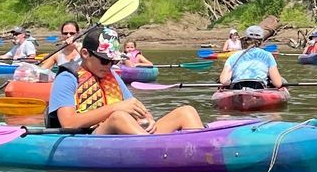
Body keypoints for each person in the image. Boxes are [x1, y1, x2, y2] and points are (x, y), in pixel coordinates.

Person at [48, 25, 205, 134]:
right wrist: (116, 108)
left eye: (113, 61)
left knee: (186, 112)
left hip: (124, 135)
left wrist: (148, 118)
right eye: (104, 60)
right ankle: (154, 149)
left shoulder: (112, 76)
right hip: (87, 138)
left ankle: (200, 153)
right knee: (119, 117)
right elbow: (69, 123)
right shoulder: (67, 77)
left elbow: (135, 107)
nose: (108, 65)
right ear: (84, 54)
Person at [219, 25, 286, 93]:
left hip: (238, 87)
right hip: (259, 87)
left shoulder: (234, 56)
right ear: (262, 41)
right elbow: (278, 83)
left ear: (245, 39)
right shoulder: (268, 56)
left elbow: (224, 81)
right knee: (282, 81)